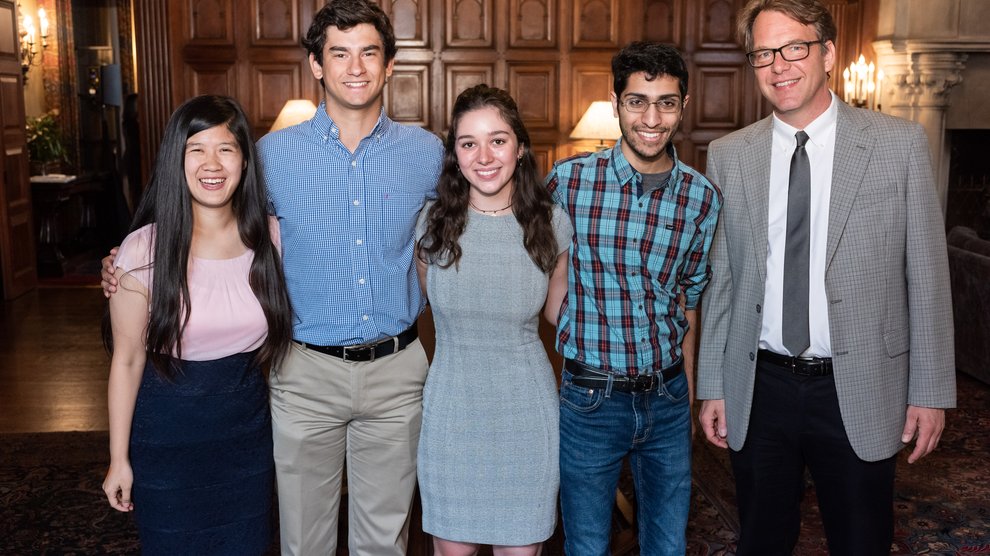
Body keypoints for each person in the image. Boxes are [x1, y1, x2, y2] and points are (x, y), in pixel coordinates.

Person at [101, 1, 443, 553]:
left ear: (389, 65)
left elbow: (457, 230)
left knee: (385, 536)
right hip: (304, 372)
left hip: (398, 372)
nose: (355, 67)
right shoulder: (271, 156)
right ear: (316, 64)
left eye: (368, 53)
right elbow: (215, 227)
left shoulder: (426, 154)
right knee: (302, 537)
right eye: (339, 53)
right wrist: (132, 260)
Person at [696, 1, 957, 554]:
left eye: (794, 47)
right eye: (763, 53)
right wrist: (714, 385)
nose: (779, 65)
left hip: (859, 385)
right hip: (760, 386)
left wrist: (931, 391)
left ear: (829, 53)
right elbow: (723, 282)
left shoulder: (899, 145)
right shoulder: (728, 156)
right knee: (761, 541)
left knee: (861, 542)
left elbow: (929, 279)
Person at [545, 42, 721, 555]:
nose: (651, 117)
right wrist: (574, 332)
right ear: (617, 102)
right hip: (590, 400)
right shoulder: (570, 182)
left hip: (666, 399)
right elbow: (536, 273)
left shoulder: (701, 197)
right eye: (637, 101)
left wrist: (685, 400)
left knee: (667, 546)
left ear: (683, 106)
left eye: (666, 102)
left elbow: (689, 305)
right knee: (586, 546)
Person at [100, 95, 292, 555]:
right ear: (177, 160)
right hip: (166, 439)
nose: (212, 163)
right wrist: (118, 459)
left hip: (245, 437)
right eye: (196, 149)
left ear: (245, 162)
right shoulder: (141, 251)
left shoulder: (272, 239)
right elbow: (126, 361)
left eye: (226, 149)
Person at [414, 84, 571, 556]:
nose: (484, 155)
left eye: (497, 140)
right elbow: (429, 302)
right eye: (468, 143)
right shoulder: (431, 223)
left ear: (520, 148)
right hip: (451, 414)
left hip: (526, 415)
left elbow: (562, 316)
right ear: (454, 154)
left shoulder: (553, 223)